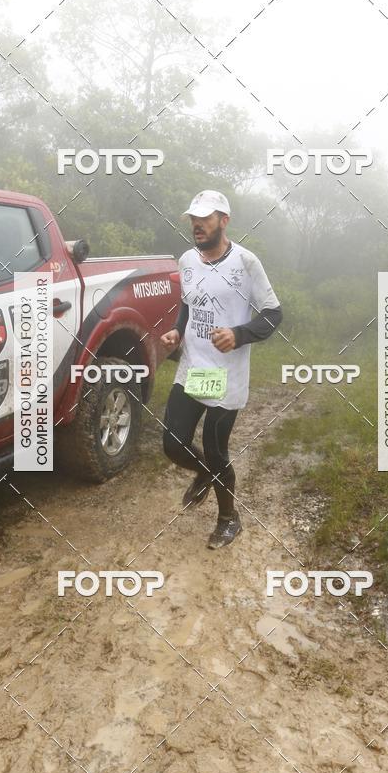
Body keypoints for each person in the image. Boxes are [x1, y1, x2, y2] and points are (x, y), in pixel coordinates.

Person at [160, 189, 283, 549]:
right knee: (172, 444)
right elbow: (187, 305)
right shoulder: (186, 260)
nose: (197, 225)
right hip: (194, 367)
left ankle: (229, 518)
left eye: (205, 218)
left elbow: (274, 314)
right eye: (194, 219)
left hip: (225, 375)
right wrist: (176, 331)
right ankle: (203, 473)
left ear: (223, 221)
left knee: (217, 451)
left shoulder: (246, 263)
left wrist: (239, 334)